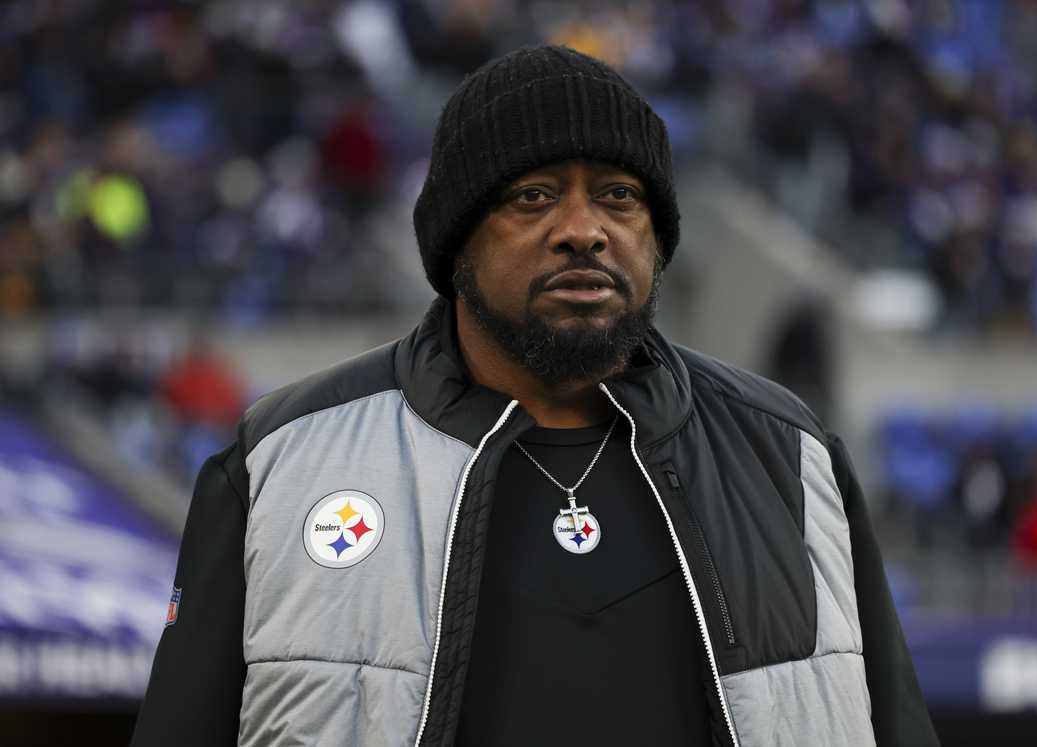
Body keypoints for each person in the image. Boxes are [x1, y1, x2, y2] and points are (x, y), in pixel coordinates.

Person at [131, 45, 939, 747]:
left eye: (619, 195)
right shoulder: (281, 459)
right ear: (456, 241)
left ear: (657, 238)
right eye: (535, 196)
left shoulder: (791, 457)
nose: (584, 229)